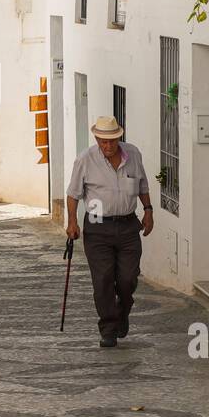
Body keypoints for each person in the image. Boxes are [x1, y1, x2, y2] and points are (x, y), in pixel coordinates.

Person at [65, 116, 154, 347]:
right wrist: (72, 222)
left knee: (128, 278)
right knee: (103, 279)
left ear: (119, 137)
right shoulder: (85, 159)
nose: (108, 146)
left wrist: (148, 210)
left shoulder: (133, 154)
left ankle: (122, 313)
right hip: (97, 228)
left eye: (112, 141)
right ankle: (108, 328)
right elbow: (73, 193)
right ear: (97, 139)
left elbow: (142, 184)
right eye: (103, 141)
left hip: (127, 225)